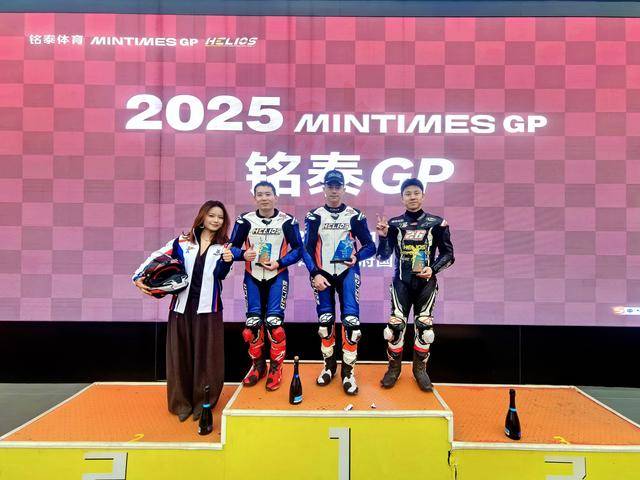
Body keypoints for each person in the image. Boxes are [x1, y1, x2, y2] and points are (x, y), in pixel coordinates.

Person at [133, 200, 233, 421]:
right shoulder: (182, 241)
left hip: (209, 309)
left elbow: (221, 274)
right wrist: (137, 277)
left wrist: (227, 261)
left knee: (208, 358)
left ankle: (203, 402)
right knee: (180, 356)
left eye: (220, 217)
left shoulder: (225, 246)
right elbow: (156, 257)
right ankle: (181, 403)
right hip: (180, 308)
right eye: (212, 215)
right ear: (202, 217)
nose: (216, 220)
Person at [376, 178, 454, 392]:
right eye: (408, 193)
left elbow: (449, 255)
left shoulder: (437, 223)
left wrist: (433, 269)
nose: (412, 197)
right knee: (395, 327)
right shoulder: (394, 224)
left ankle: (420, 370)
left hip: (426, 284)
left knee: (425, 328)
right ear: (402, 198)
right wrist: (383, 237)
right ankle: (394, 369)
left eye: (416, 193)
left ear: (423, 196)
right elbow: (382, 256)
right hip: (401, 283)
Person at [303, 170, 375, 395]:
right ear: (324, 188)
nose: (334, 190)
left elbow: (370, 246)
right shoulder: (314, 216)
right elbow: (306, 249)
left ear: (343, 189)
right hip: (322, 274)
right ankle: (329, 366)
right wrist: (314, 274)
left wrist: (357, 257)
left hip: (347, 273)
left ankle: (348, 372)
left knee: (351, 324)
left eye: (338, 186)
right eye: (330, 186)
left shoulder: (355, 215)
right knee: (325, 324)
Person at [228, 181, 303, 391]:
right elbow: (231, 248)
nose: (264, 198)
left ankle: (276, 368)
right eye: (259, 194)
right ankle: (258, 366)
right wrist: (243, 254)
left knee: (274, 325)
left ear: (275, 197)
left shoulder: (287, 221)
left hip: (277, 275)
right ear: (254, 198)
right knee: (252, 325)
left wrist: (280, 262)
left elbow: (299, 250)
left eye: (268, 194)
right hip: (252, 276)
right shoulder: (245, 220)